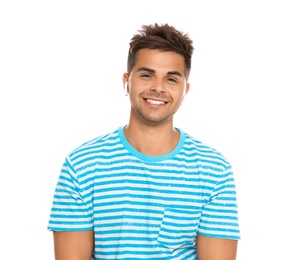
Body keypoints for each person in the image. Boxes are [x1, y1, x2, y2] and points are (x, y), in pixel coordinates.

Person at [48, 23, 240, 260]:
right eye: (147, 75)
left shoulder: (213, 170)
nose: (158, 88)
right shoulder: (81, 166)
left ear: (185, 89)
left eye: (171, 79)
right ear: (126, 81)